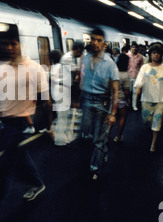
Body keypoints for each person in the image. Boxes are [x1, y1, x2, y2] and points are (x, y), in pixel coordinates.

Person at [0, 33, 51, 222]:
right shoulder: (1, 68)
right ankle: (36, 183)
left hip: (21, 124)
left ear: (20, 44)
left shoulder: (34, 68)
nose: (8, 47)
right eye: (4, 43)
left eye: (12, 43)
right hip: (5, 122)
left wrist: (49, 125)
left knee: (0, 168)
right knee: (19, 159)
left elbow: (46, 99)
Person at [79, 28, 119, 181]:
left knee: (98, 139)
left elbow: (115, 90)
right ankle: (103, 150)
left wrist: (113, 113)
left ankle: (95, 169)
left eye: (99, 40)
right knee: (85, 135)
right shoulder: (85, 58)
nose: (95, 43)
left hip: (103, 102)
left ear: (104, 44)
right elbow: (83, 80)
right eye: (93, 39)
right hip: (87, 100)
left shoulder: (110, 63)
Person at [134, 43, 163, 152]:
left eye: (158, 53)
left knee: (157, 121)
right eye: (153, 53)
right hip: (146, 99)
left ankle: (153, 144)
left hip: (160, 100)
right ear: (150, 55)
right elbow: (139, 82)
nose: (156, 55)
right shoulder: (144, 67)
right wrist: (138, 91)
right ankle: (151, 132)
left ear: (161, 55)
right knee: (147, 121)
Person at [50, 49, 72, 146]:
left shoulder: (53, 66)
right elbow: (54, 78)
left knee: (60, 115)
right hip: (61, 91)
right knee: (63, 116)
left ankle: (61, 137)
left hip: (55, 91)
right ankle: (60, 140)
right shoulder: (60, 66)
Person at [112, 53, 131, 143]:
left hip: (112, 99)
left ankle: (106, 135)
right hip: (121, 99)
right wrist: (128, 99)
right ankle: (117, 137)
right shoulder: (126, 75)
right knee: (122, 118)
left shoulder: (113, 72)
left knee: (112, 117)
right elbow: (126, 91)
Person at [127, 41, 144, 111]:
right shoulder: (127, 55)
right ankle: (128, 103)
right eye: (133, 47)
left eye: (135, 47)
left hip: (136, 77)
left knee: (135, 92)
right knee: (128, 91)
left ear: (137, 49)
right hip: (128, 76)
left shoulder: (140, 57)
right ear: (131, 48)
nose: (134, 49)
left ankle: (134, 105)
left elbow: (141, 67)